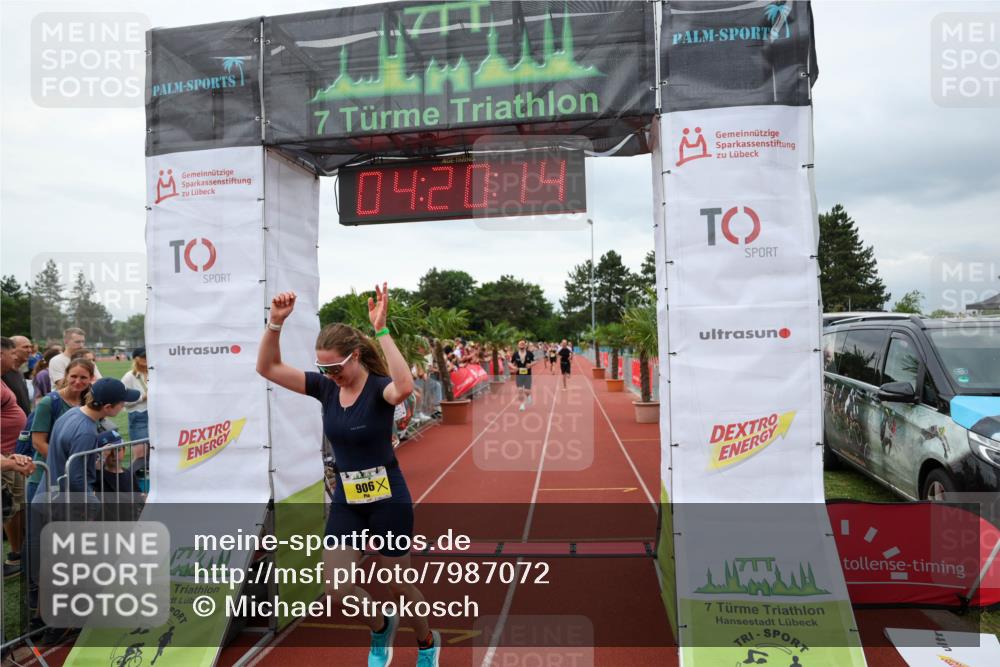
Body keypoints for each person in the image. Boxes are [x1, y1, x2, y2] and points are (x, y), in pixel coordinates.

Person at [256, 284, 441, 667]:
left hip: (388, 501)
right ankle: (381, 626)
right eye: (324, 369)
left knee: (399, 585)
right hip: (348, 502)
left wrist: (382, 330)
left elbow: (405, 386)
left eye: (336, 368)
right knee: (336, 588)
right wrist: (275, 323)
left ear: (355, 356)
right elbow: (267, 368)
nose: (331, 375)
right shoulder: (325, 388)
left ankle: (427, 643)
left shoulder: (378, 390)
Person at [45, 378, 138, 498]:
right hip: (63, 501)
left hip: (50, 493)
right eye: (122, 403)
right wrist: (92, 503)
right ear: (108, 407)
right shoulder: (86, 432)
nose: (123, 406)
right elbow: (76, 479)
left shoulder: (73, 412)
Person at [2, 373, 29, 577]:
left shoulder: (6, 377)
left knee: (14, 505)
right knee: (8, 507)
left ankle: (17, 554)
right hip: (5, 455)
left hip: (10, 454)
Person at [121, 348, 149, 442]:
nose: (146, 358)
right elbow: (122, 400)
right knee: (141, 448)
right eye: (143, 356)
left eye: (148, 355)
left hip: (156, 415)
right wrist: (142, 398)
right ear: (135, 358)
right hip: (138, 416)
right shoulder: (129, 376)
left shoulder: (154, 374)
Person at [2, 336, 32, 417]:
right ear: (13, 349)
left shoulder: (19, 372)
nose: (30, 350)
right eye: (25, 347)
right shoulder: (3, 373)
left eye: (30, 347)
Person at [508, 340, 537, 412]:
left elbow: (535, 361)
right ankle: (522, 404)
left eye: (523, 344)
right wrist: (513, 367)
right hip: (519, 375)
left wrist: (530, 365)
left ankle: (529, 396)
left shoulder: (529, 353)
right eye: (520, 344)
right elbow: (510, 363)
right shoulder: (515, 354)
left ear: (525, 346)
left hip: (527, 375)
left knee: (527, 391)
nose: (522, 345)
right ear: (518, 346)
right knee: (520, 390)